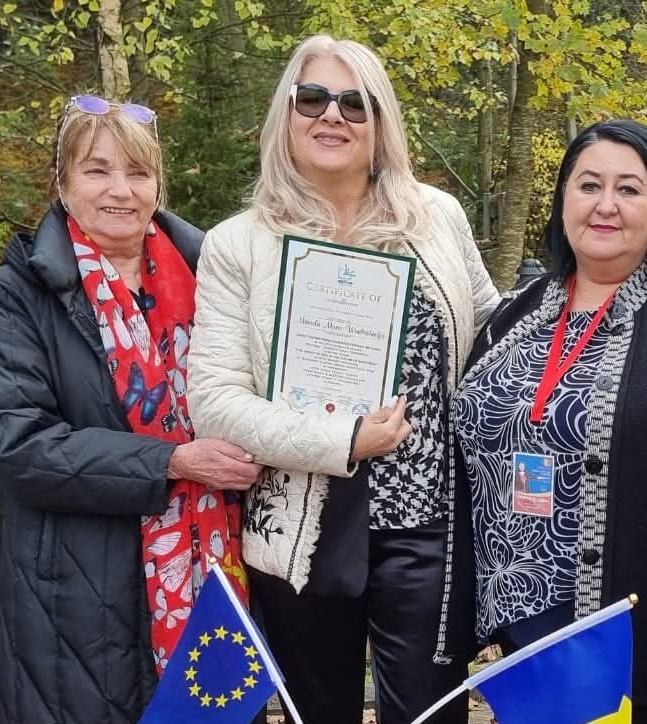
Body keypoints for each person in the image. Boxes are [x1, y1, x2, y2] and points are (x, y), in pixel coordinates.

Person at [186, 35, 499, 724]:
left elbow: (492, 331)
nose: (333, 115)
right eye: (313, 99)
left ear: (381, 121)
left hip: (428, 522)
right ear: (286, 114)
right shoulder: (238, 243)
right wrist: (343, 440)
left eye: (356, 103)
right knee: (316, 712)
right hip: (304, 526)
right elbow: (214, 401)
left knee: (430, 714)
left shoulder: (437, 217)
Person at [0, 96, 262, 724]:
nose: (120, 190)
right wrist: (172, 462)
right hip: (73, 595)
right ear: (63, 181)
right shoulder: (15, 295)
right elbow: (18, 445)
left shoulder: (217, 277)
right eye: (97, 170)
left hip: (215, 567)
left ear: (158, 184)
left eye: (138, 172)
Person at [453, 119, 647, 722]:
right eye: (589, 185)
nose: (605, 205)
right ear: (564, 200)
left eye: (629, 189)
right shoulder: (517, 312)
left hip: (631, 628)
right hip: (519, 625)